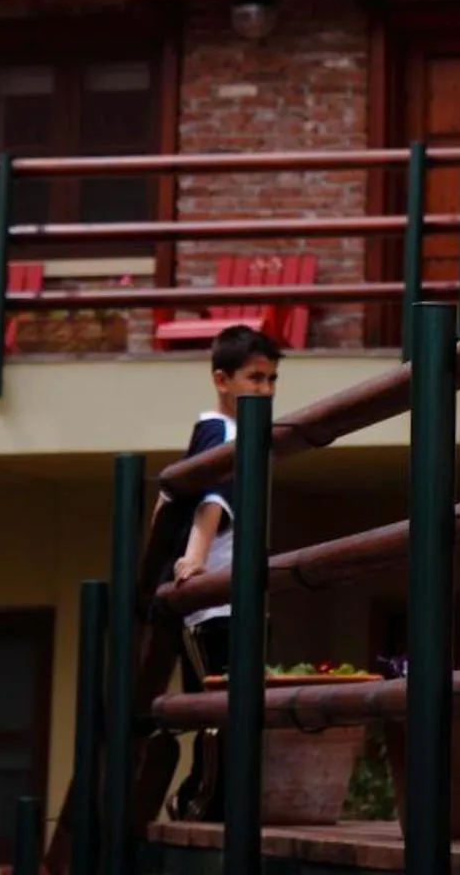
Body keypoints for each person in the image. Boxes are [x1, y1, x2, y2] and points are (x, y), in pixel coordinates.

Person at [162, 323, 283, 820]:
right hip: (211, 599)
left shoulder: (224, 430)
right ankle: (203, 798)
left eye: (273, 380)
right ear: (222, 378)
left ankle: (212, 798)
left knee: (232, 705)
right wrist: (191, 559)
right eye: (255, 379)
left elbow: (166, 500)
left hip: (231, 594)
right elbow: (208, 502)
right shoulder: (223, 431)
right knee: (219, 707)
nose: (266, 390)